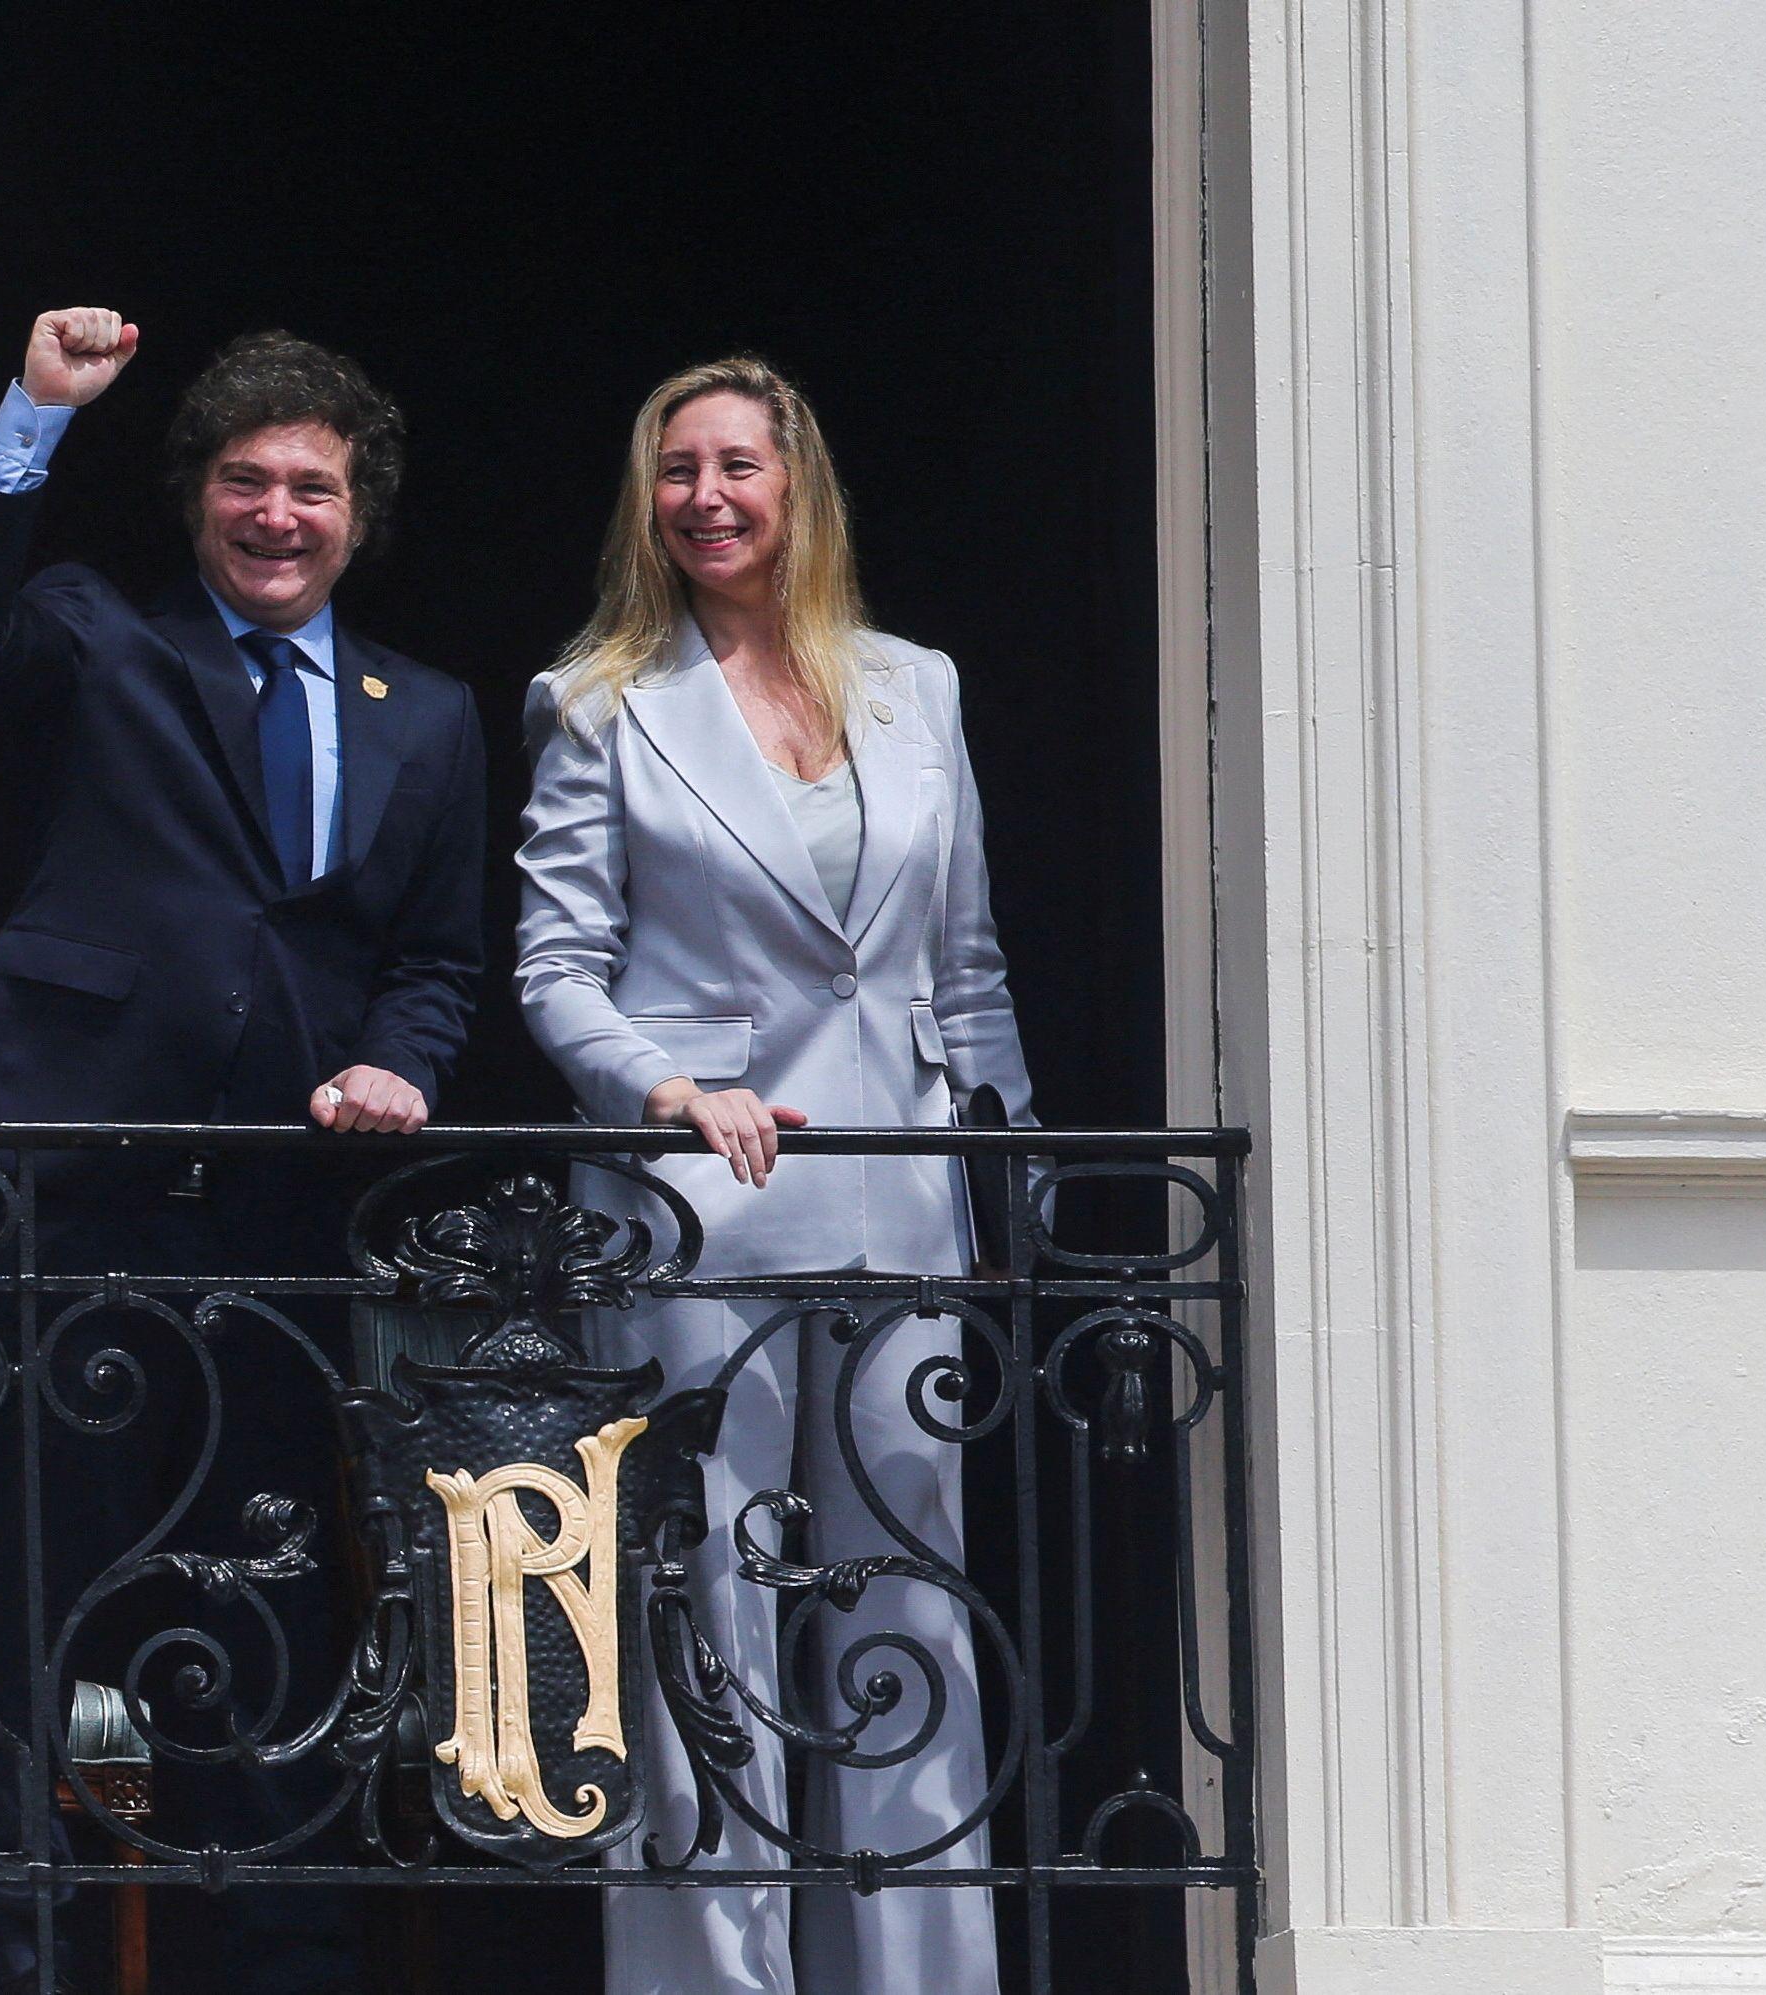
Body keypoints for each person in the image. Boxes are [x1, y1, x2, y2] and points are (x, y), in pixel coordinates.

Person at [0, 308, 487, 1993]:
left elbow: (438, 963)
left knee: (265, 1621)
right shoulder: (101, 639)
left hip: (275, 1223)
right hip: (73, 1199)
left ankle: (276, 1962)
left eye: (313, 487)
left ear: (359, 512)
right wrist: (31, 409)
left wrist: (396, 1059)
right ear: (197, 500)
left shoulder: (429, 714)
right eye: (246, 481)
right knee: (17, 1631)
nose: (279, 515)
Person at [514, 355, 1033, 1995]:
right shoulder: (600, 701)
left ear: (795, 489)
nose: (707, 498)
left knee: (905, 1611)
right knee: (703, 1617)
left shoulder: (915, 686)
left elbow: (964, 970)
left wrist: (1007, 1172)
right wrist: (665, 1087)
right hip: (699, 1216)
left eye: (737, 465)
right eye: (676, 471)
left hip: (897, 1203)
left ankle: (918, 1978)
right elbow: (554, 968)